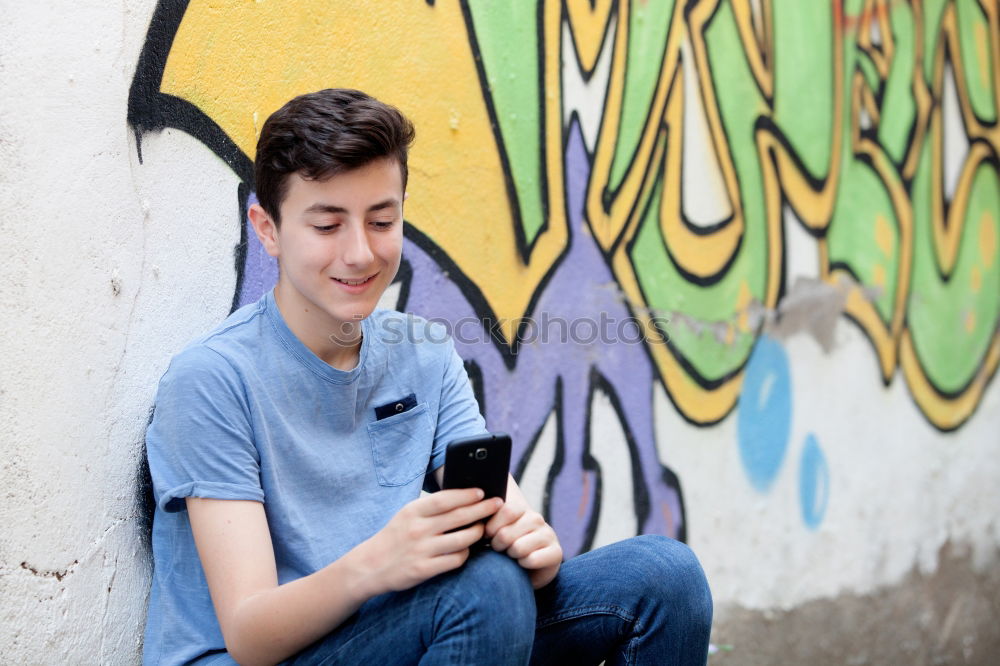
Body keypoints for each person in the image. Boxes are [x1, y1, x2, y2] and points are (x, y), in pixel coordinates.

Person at [143, 88, 712, 666]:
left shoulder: (424, 354)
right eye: (327, 225)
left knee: (664, 577)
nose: (360, 252)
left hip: (403, 631)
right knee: (484, 591)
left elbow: (499, 519)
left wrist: (534, 552)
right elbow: (249, 633)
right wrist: (377, 563)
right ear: (267, 229)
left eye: (382, 220)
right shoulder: (212, 381)